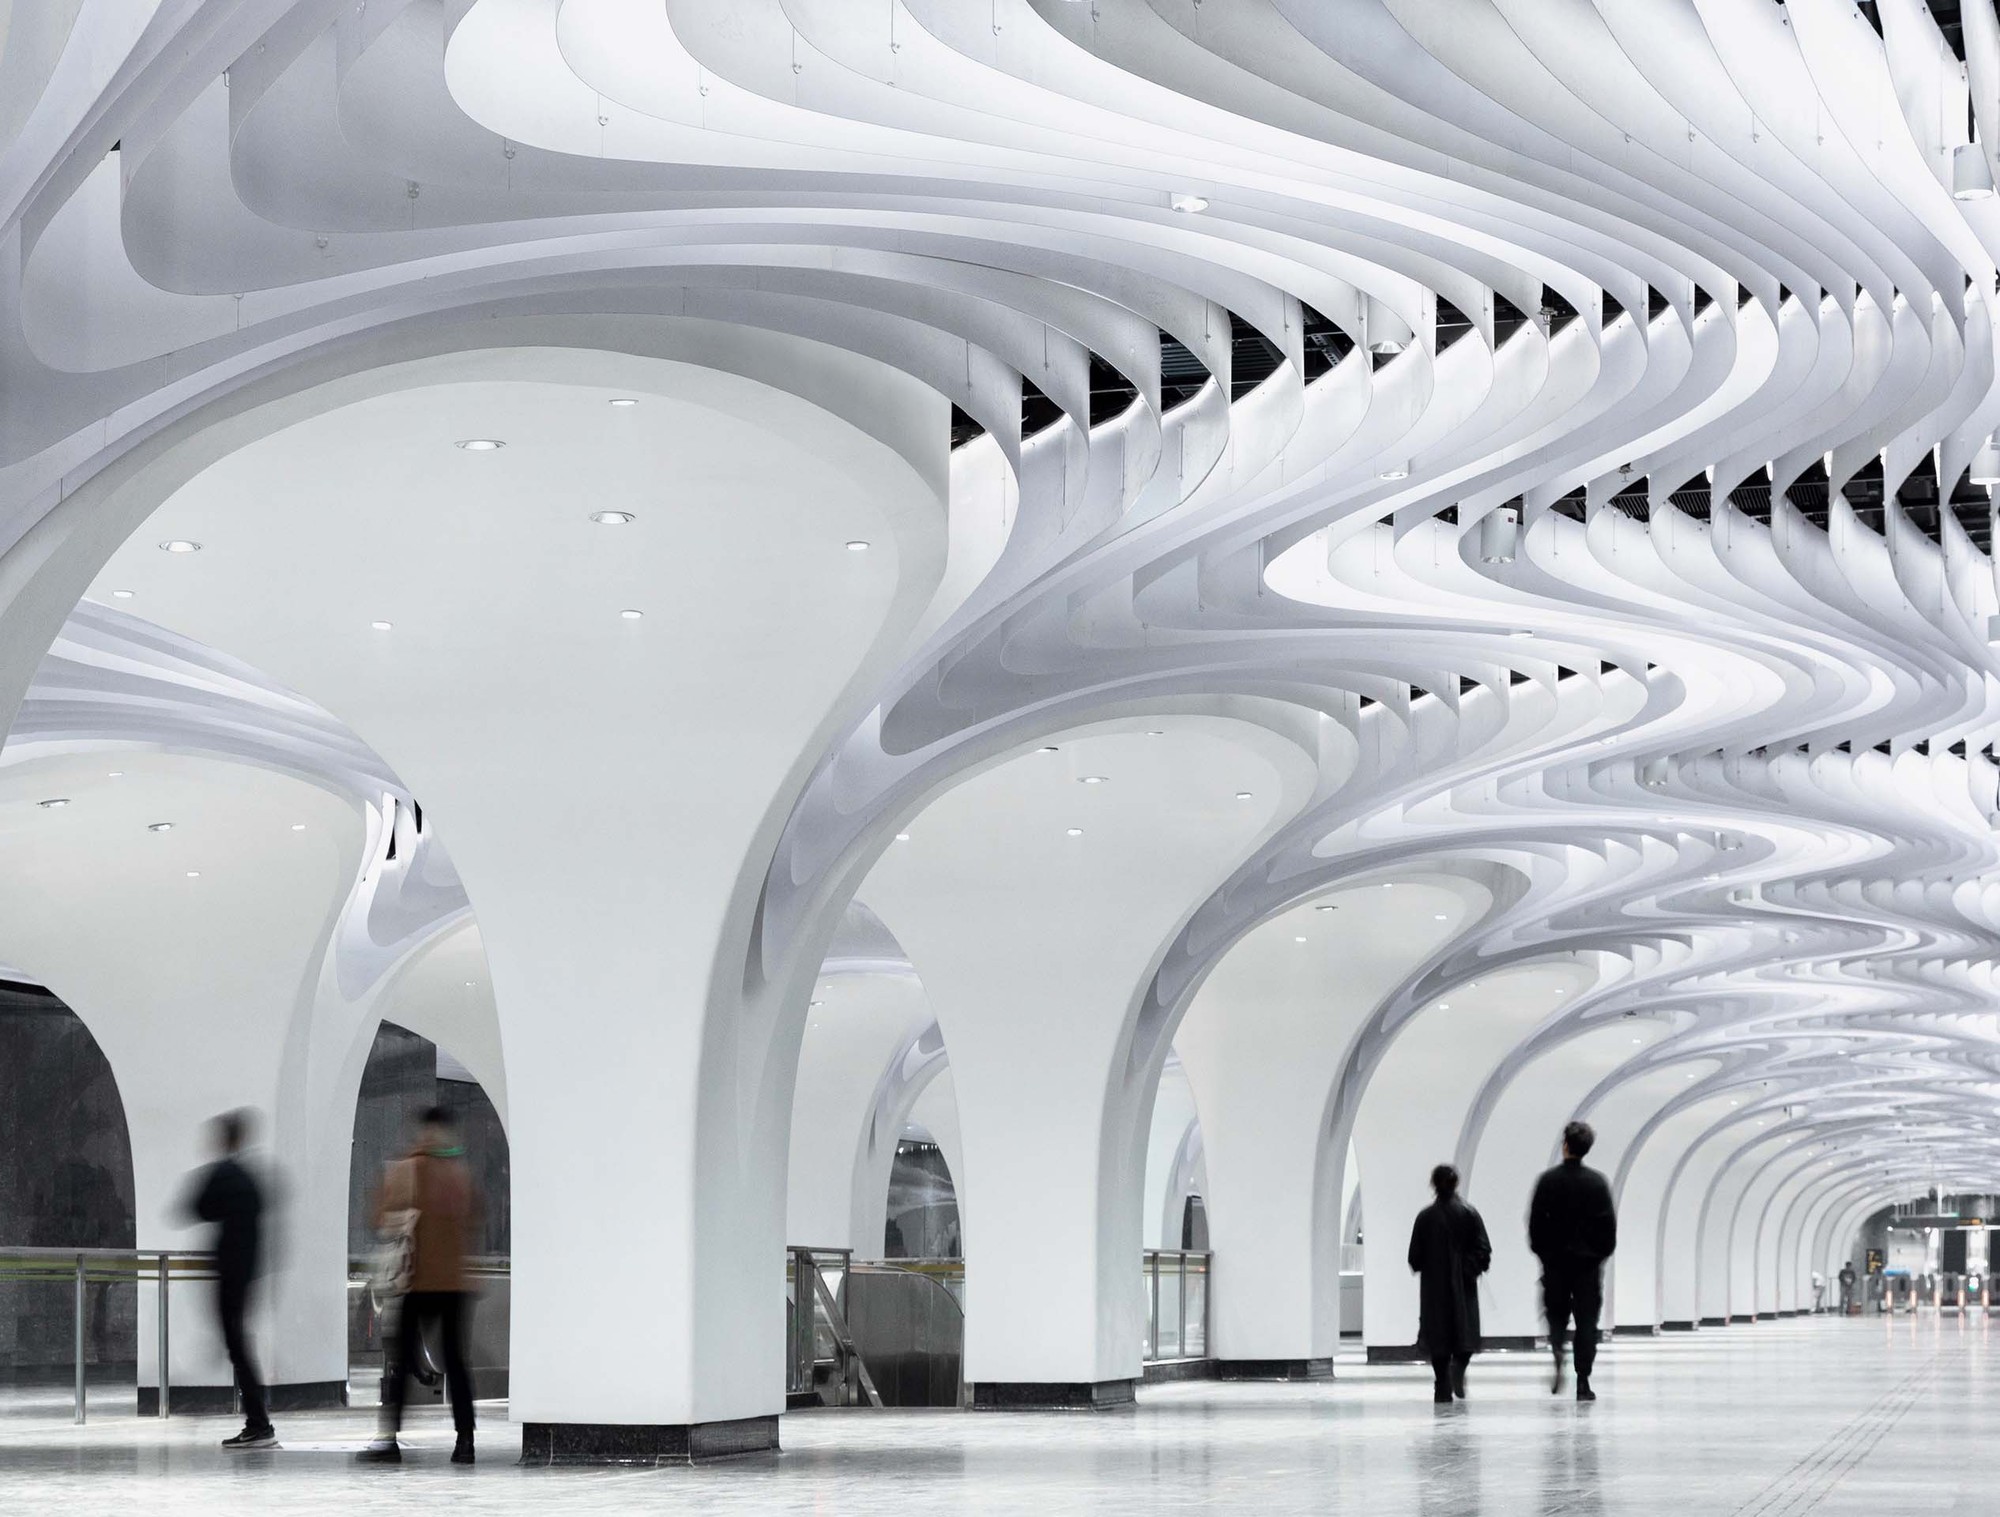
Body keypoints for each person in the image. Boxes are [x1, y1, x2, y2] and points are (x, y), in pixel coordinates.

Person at [359, 1106, 480, 1465]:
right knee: (457, 1361)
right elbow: (475, 1218)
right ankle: (465, 1441)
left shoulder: (407, 1169)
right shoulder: (462, 1174)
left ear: (424, 1130)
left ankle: (389, 1439)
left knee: (400, 1358)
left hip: (418, 1281)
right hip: (455, 1282)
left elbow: (377, 1216)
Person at [183, 1109, 275, 1449]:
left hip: (230, 1270)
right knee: (238, 1344)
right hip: (247, 1270)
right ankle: (258, 1420)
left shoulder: (223, 1173)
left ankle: (259, 1423)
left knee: (236, 1345)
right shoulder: (251, 1177)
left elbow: (196, 1208)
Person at [1528, 1119, 1617, 1403]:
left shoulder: (1547, 1181)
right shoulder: (1597, 1183)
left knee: (1555, 1313)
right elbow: (1608, 1228)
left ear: (1565, 1145)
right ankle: (1583, 1380)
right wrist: (1599, 1255)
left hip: (1555, 1263)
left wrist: (1544, 1254)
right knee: (1587, 1322)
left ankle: (1556, 1345)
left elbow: (1535, 1224)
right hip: (1588, 1266)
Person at [1407, 1163, 1492, 1403]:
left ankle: (1441, 1385)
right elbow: (1483, 1249)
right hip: (1464, 1285)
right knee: (1464, 1331)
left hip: (1434, 1288)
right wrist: (1471, 1268)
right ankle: (1458, 1370)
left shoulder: (1425, 1217)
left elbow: (1414, 1257)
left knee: (1438, 1336)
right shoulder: (1469, 1213)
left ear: (1433, 1184)